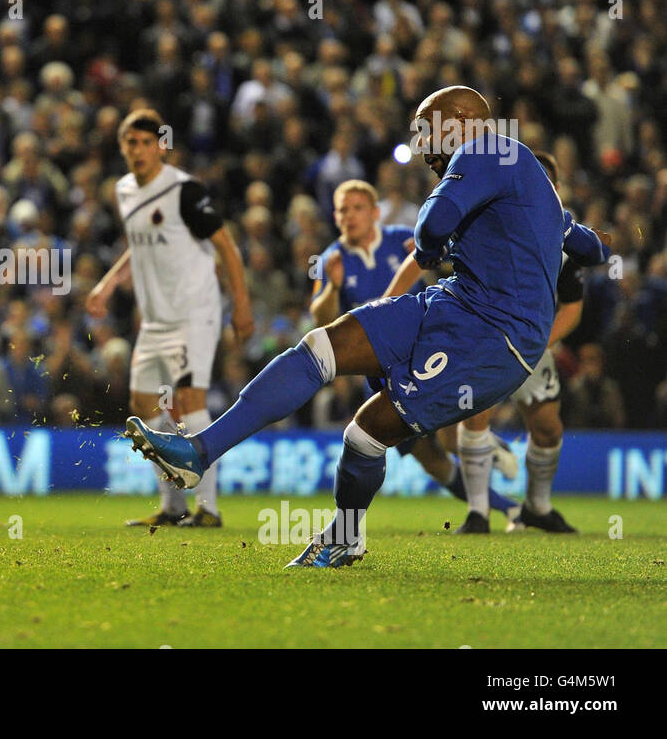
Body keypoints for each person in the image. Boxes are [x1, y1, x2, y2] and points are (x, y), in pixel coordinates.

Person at [125, 86, 610, 566]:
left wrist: (428, 246)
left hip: (493, 336)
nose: (421, 146)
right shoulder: (526, 177)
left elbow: (431, 225)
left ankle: (346, 536)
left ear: (462, 122)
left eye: (426, 130)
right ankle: (197, 452)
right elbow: (589, 247)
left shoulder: (487, 147)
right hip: (453, 304)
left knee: (365, 433)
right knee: (321, 346)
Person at [387, 151, 585, 532]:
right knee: (465, 424)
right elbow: (420, 258)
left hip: (532, 338)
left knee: (547, 427)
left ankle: (538, 509)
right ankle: (478, 513)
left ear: (555, 190)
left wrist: (540, 341)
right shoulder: (482, 220)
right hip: (479, 335)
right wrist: (386, 301)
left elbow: (573, 309)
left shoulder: (563, 240)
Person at [312, 179, 521, 524]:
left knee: (449, 437)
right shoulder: (331, 259)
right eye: (342, 210)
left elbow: (456, 267)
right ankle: (509, 507)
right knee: (429, 459)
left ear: (375, 213)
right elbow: (321, 320)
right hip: (378, 368)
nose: (349, 216)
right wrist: (332, 287)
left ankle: (485, 445)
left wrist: (435, 259)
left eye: (356, 208)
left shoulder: (403, 239)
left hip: (422, 351)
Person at [88, 108, 254, 528]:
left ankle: (209, 508)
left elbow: (227, 247)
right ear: (122, 147)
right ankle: (172, 506)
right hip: (155, 320)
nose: (139, 150)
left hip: (194, 312)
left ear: (161, 146)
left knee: (188, 404)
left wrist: (242, 303)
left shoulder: (183, 191)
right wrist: (108, 284)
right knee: (144, 411)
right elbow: (139, 246)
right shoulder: (125, 190)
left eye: (147, 142)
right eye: (131, 143)